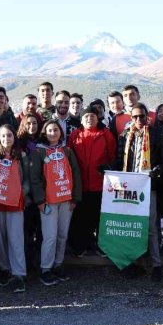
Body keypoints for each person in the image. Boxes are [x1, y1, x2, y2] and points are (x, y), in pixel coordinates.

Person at [113, 103, 163, 281]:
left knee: (151, 227)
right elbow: (119, 159)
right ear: (130, 117)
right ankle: (132, 263)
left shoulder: (156, 134)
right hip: (129, 188)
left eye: (142, 116)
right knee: (131, 226)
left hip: (148, 186)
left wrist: (158, 170)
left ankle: (156, 265)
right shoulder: (124, 135)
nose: (138, 120)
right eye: (135, 117)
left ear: (147, 117)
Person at [30, 120, 82, 286]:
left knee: (62, 235)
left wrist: (75, 197)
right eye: (50, 130)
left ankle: (58, 265)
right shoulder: (39, 152)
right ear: (45, 133)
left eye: (56, 130)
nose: (53, 133)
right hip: (48, 202)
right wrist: (39, 200)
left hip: (66, 200)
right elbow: (35, 179)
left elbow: (76, 173)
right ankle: (46, 268)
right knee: (50, 236)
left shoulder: (67, 150)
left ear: (61, 132)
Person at [0, 125, 30, 293]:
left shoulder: (21, 156)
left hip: (15, 204)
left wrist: (20, 193)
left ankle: (18, 274)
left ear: (14, 137)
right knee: (1, 240)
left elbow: (27, 180)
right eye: (3, 136)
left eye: (9, 135)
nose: (6, 139)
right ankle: (5, 270)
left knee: (15, 239)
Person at [68, 106, 117, 256]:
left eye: (92, 116)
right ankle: (81, 245)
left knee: (99, 216)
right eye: (86, 117)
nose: (89, 119)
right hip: (80, 183)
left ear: (98, 118)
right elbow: (69, 158)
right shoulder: (75, 135)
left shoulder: (105, 134)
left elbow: (113, 155)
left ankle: (101, 245)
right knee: (81, 216)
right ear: (82, 120)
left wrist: (108, 167)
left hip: (100, 183)